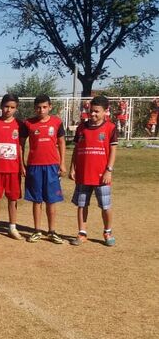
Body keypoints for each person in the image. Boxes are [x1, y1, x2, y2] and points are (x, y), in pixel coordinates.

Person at [69, 95, 118, 247]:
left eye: (97, 111)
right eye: (91, 111)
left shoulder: (110, 128)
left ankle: (107, 232)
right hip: (83, 174)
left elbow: (113, 150)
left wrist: (108, 170)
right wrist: (72, 168)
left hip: (102, 175)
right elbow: (76, 149)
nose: (93, 114)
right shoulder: (81, 128)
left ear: (105, 112)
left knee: (105, 206)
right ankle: (82, 233)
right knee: (82, 204)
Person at [0, 94, 28, 240]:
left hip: (13, 169)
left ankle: (12, 227)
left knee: (13, 199)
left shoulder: (20, 125)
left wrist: (22, 165)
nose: (9, 110)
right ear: (1, 106)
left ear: (16, 108)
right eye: (6, 106)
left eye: (12, 107)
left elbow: (21, 147)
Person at [23, 95, 66, 243]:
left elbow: (61, 143)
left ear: (50, 107)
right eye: (38, 107)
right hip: (34, 166)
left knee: (51, 200)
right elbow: (21, 144)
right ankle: (37, 230)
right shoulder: (28, 123)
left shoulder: (57, 122)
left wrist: (62, 163)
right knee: (37, 200)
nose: (41, 110)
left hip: (52, 166)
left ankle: (52, 231)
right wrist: (22, 164)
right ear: (34, 108)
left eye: (44, 107)